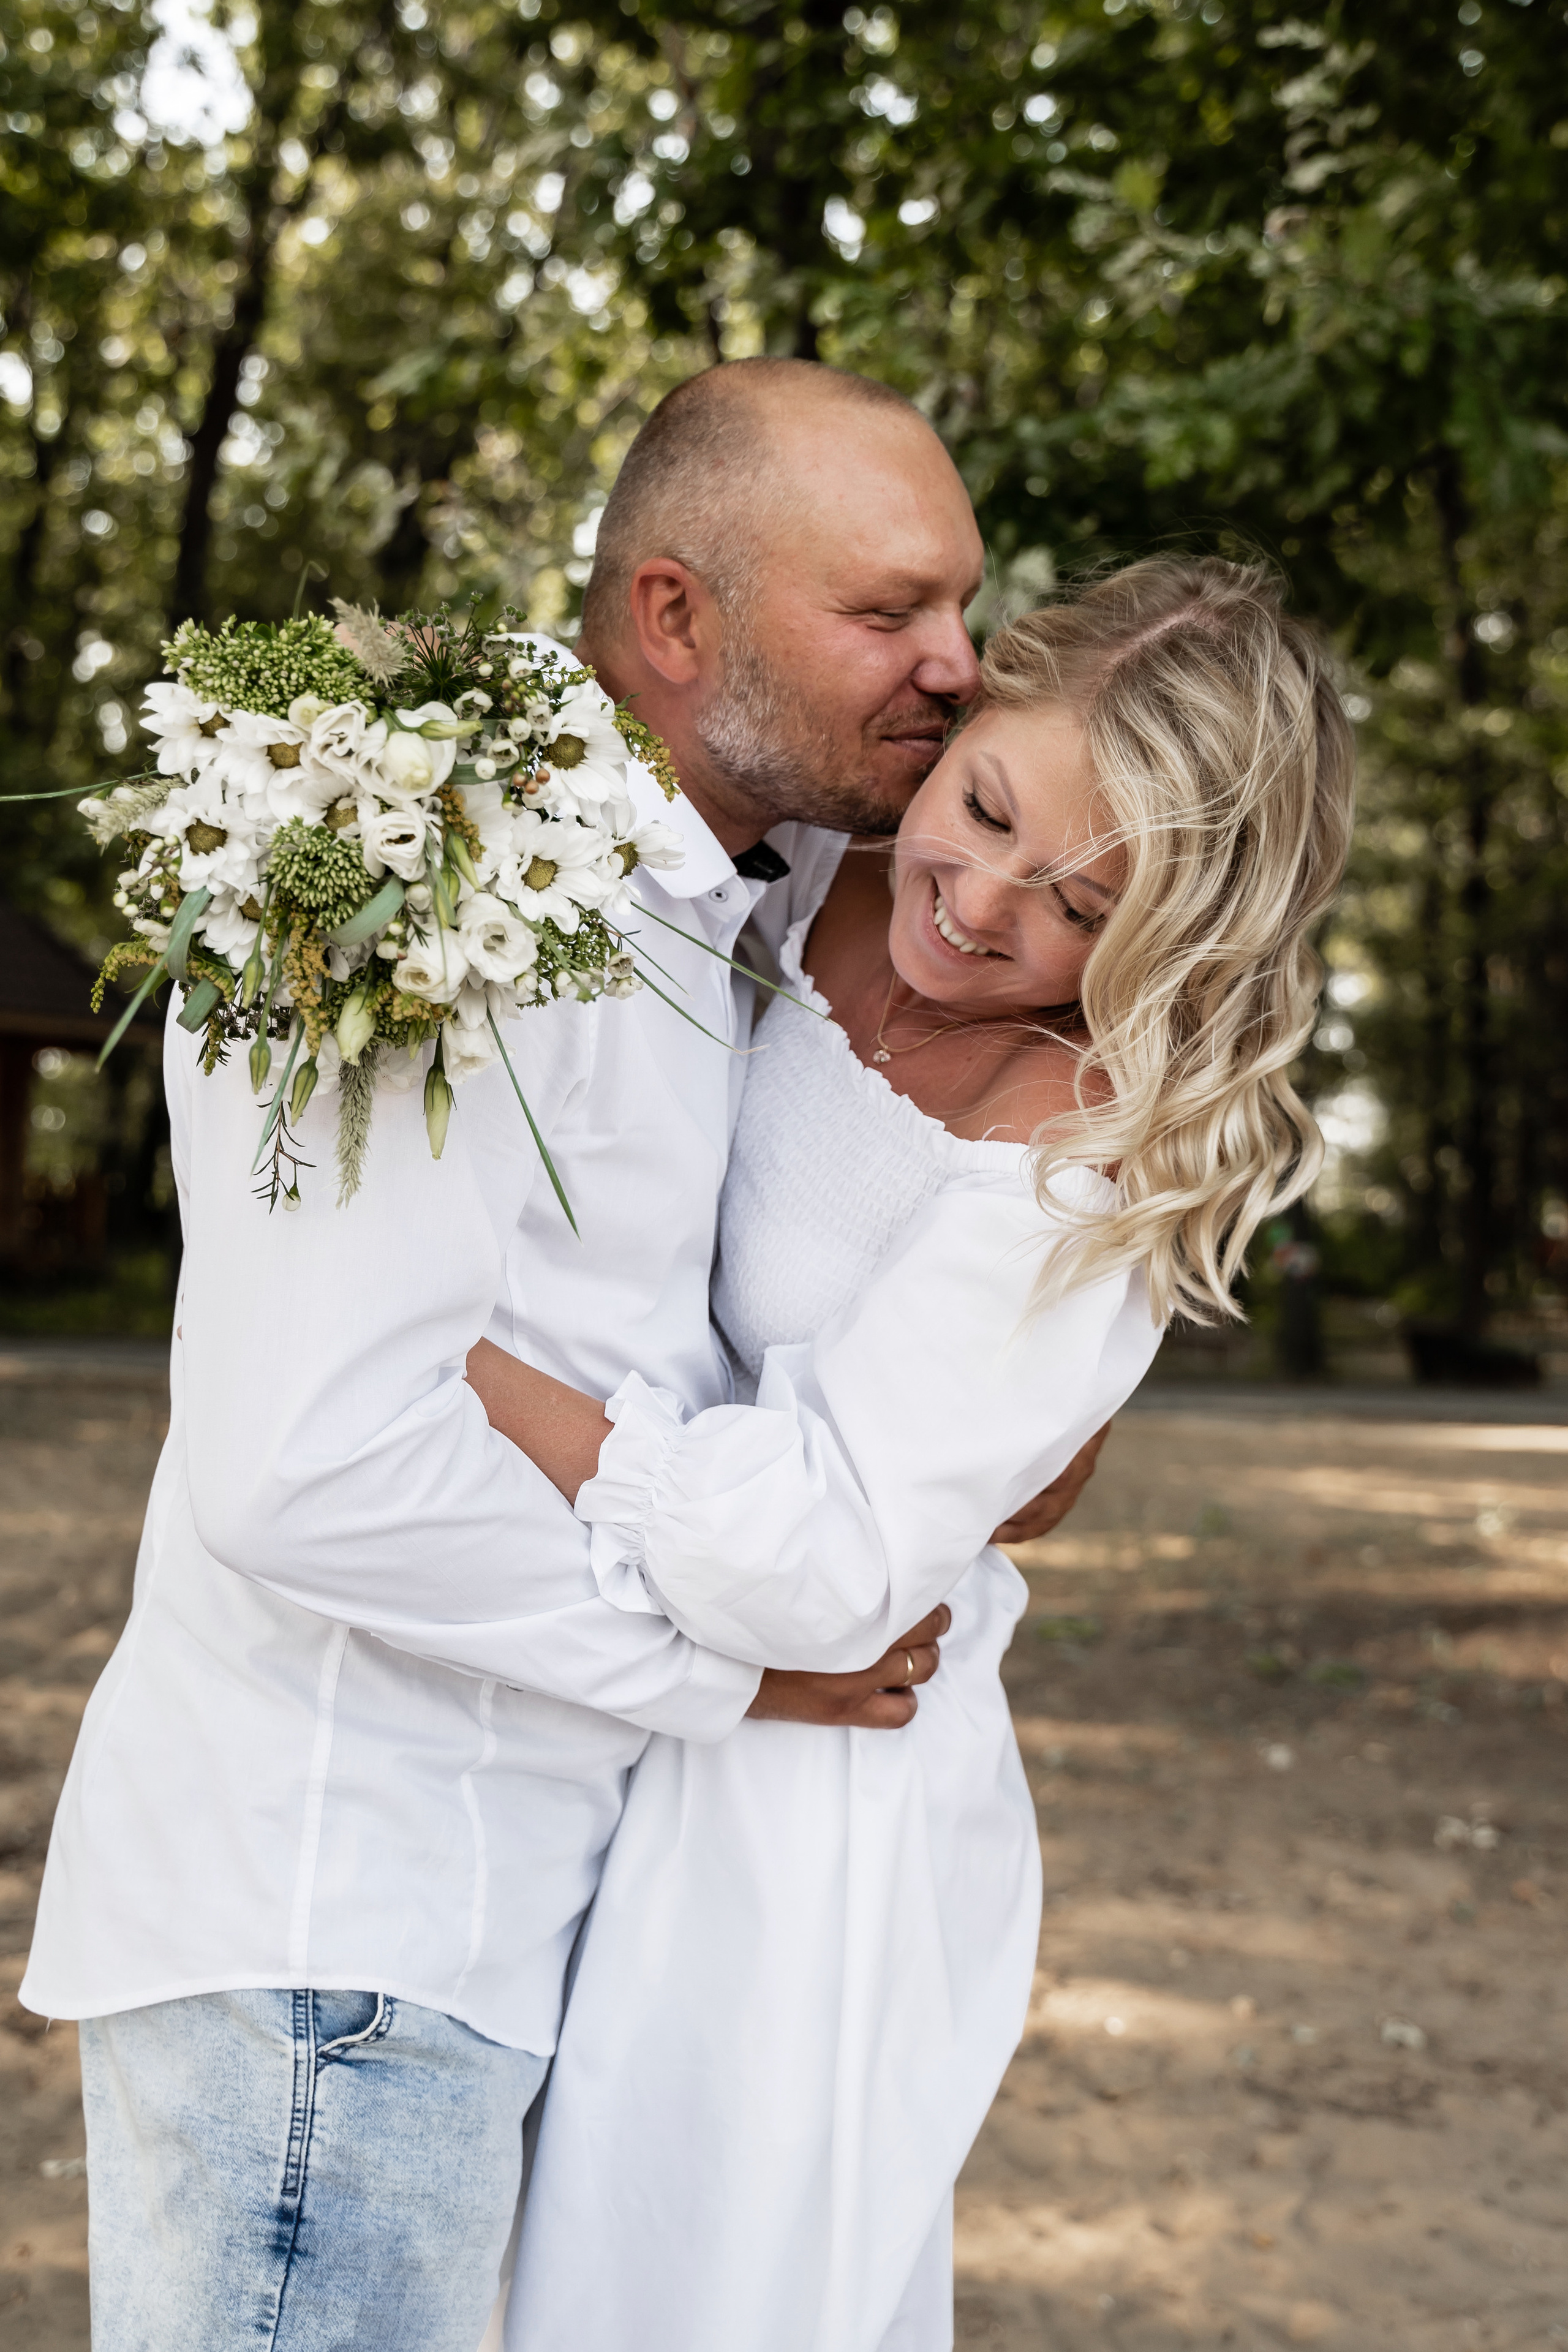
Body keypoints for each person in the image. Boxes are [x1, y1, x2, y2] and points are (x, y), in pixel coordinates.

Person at [20, 358, 1102, 2350]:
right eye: (888, 615)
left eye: (962, 603)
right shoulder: (405, 872)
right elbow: (309, 1466)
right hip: (337, 1928)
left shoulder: (737, 890)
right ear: (673, 617)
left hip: (503, 1922)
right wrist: (733, 1666)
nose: (958, 667)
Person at [466, 553, 1357, 2351]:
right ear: (960, 724)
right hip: (597, 1685)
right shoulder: (801, 870)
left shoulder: (1080, 1141)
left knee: (680, 2295)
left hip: (814, 1802)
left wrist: (482, 1373)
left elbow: (828, 1563)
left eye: (1087, 906)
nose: (979, 903)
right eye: (986, 806)